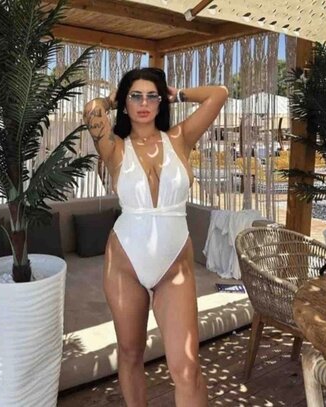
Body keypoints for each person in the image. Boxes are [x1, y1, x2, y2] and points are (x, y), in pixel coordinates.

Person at [83, 67, 228, 406]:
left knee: (187, 368)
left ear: (161, 101)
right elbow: (92, 109)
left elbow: (219, 94)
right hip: (125, 264)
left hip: (174, 266)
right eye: (136, 96)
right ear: (125, 102)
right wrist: (115, 98)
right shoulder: (114, 148)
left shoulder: (179, 138)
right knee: (131, 353)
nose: (144, 103)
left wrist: (177, 94)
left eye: (152, 96)